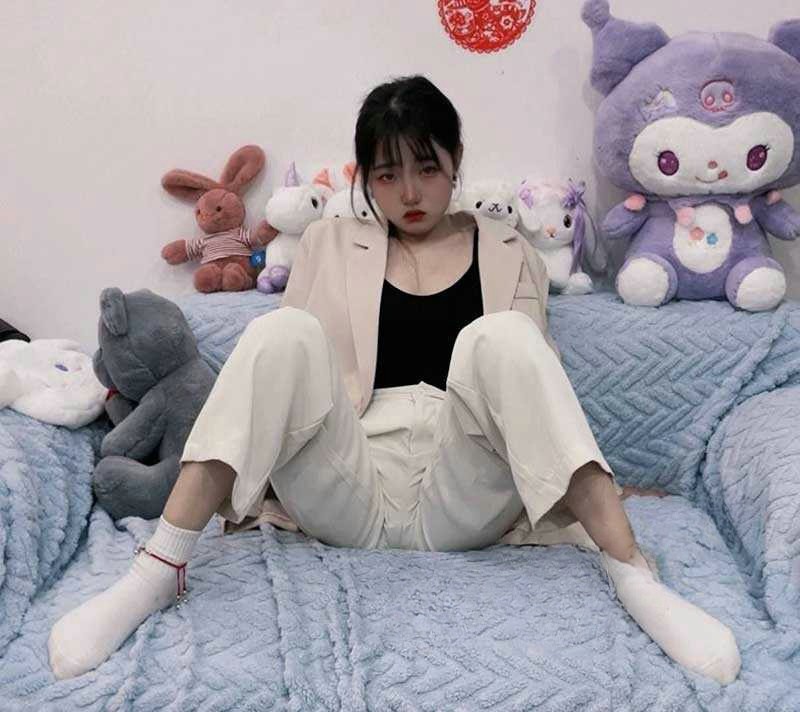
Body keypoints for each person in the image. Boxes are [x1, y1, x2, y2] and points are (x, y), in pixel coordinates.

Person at [48, 75, 740, 684]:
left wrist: (600, 488)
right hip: (347, 477)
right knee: (282, 333)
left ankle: (631, 571)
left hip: (464, 485)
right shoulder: (326, 243)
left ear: (455, 161)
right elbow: (293, 383)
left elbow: (531, 387)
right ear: (365, 179)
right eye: (386, 175)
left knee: (504, 336)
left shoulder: (510, 249)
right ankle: (160, 568)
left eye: (427, 168)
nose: (409, 193)